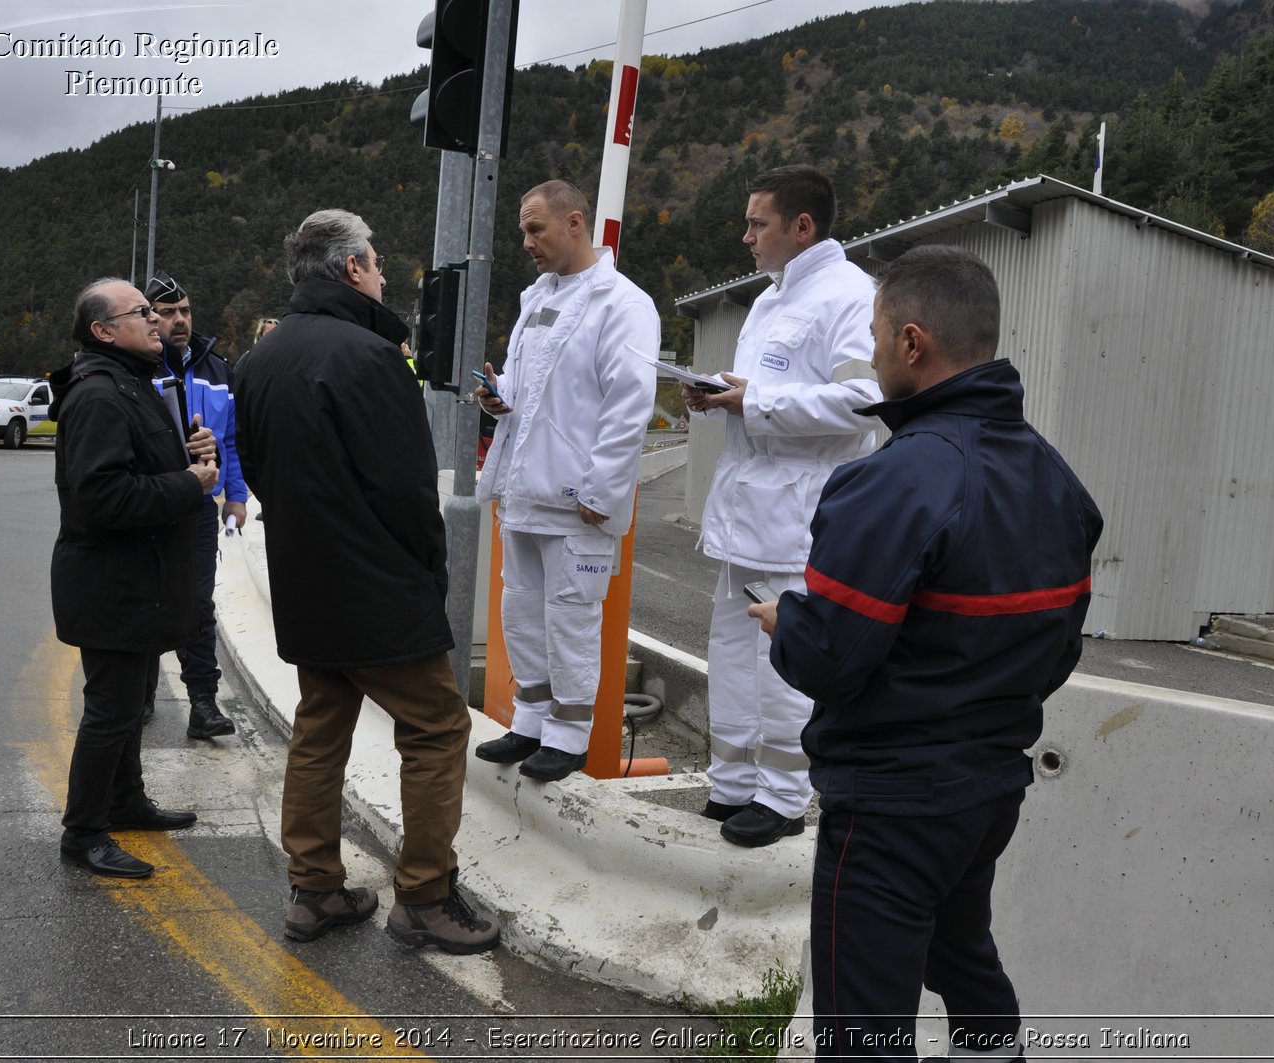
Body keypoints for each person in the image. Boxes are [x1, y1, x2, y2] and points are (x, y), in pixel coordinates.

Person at [747, 246, 1103, 1061]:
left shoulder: (898, 480)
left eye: (874, 337)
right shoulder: (1056, 479)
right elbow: (1057, 650)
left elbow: (831, 658)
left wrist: (787, 623)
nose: (870, 355)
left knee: (862, 1028)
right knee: (960, 955)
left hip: (892, 805)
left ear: (912, 343)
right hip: (987, 793)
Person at [234, 209, 499, 953]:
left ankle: (313, 890)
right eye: (376, 264)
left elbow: (257, 471)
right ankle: (424, 893)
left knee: (320, 729)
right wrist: (428, 571)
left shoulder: (260, 359)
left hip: (303, 579)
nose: (382, 276)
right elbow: (407, 489)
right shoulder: (373, 356)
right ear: (352, 269)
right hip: (379, 586)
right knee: (438, 726)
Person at [679, 164, 881, 847]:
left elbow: (863, 403)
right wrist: (720, 393)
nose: (746, 236)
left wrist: (752, 399)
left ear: (803, 226)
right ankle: (733, 784)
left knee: (783, 665)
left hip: (800, 523)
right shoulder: (770, 301)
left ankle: (785, 795)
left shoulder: (850, 296)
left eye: (757, 223)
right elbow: (764, 392)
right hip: (746, 515)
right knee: (732, 656)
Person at [471, 180, 659, 782]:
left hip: (576, 503)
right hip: (527, 494)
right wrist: (502, 402)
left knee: (571, 617)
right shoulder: (537, 299)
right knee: (522, 614)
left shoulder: (623, 305)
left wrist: (601, 496)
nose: (526, 242)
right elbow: (543, 394)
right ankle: (530, 720)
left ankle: (570, 734)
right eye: (523, 231)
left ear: (575, 223)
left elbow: (628, 407)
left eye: (535, 229)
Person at [50, 278, 220, 878]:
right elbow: (103, 497)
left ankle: (124, 801)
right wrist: (189, 484)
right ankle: (84, 832)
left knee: (124, 708)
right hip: (112, 585)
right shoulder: (99, 395)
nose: (158, 320)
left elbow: (138, 465)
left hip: (137, 585)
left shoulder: (132, 385)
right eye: (142, 312)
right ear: (103, 331)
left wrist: (189, 455)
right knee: (111, 711)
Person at [145, 269, 248, 740]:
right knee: (146, 600)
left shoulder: (216, 366)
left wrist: (237, 497)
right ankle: (141, 695)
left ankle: (203, 705)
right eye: (167, 313)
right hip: (150, 505)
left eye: (184, 311)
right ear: (150, 318)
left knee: (197, 604)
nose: (179, 320)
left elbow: (230, 440)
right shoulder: (137, 365)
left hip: (202, 508)